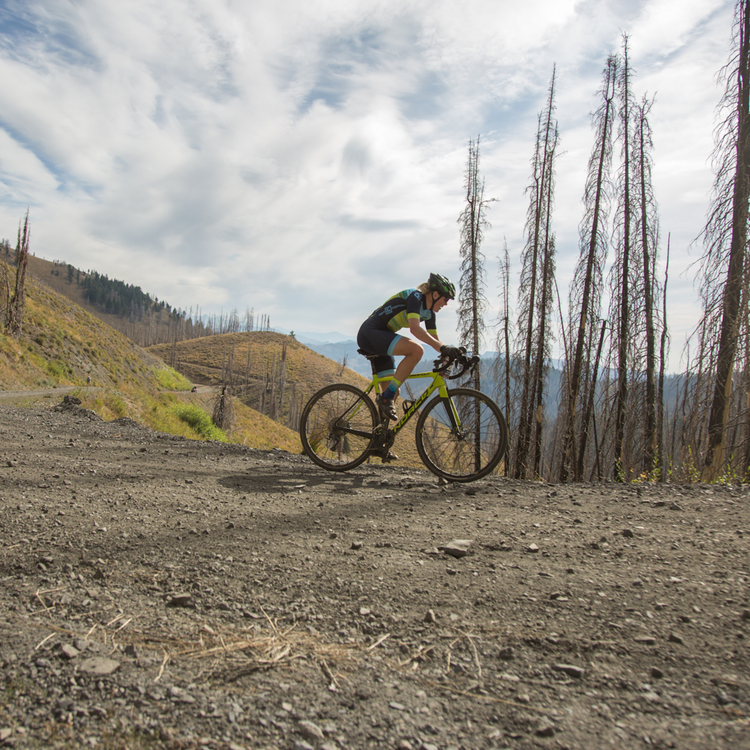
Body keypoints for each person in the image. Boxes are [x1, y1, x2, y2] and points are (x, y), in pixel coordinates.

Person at [357, 272, 461, 421]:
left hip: (382, 337)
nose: (446, 303)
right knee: (416, 350)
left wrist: (452, 352)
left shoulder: (430, 313)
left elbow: (435, 341)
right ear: (436, 294)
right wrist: (442, 347)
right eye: (446, 299)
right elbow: (415, 328)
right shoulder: (416, 297)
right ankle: (386, 398)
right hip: (370, 333)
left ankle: (377, 435)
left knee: (394, 391)